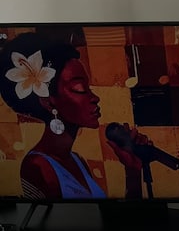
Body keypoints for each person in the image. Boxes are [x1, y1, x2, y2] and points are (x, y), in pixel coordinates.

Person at [0, 31, 146, 199]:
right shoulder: (38, 166)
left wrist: (133, 171)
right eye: (80, 89)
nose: (95, 98)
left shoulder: (77, 160)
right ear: (48, 102)